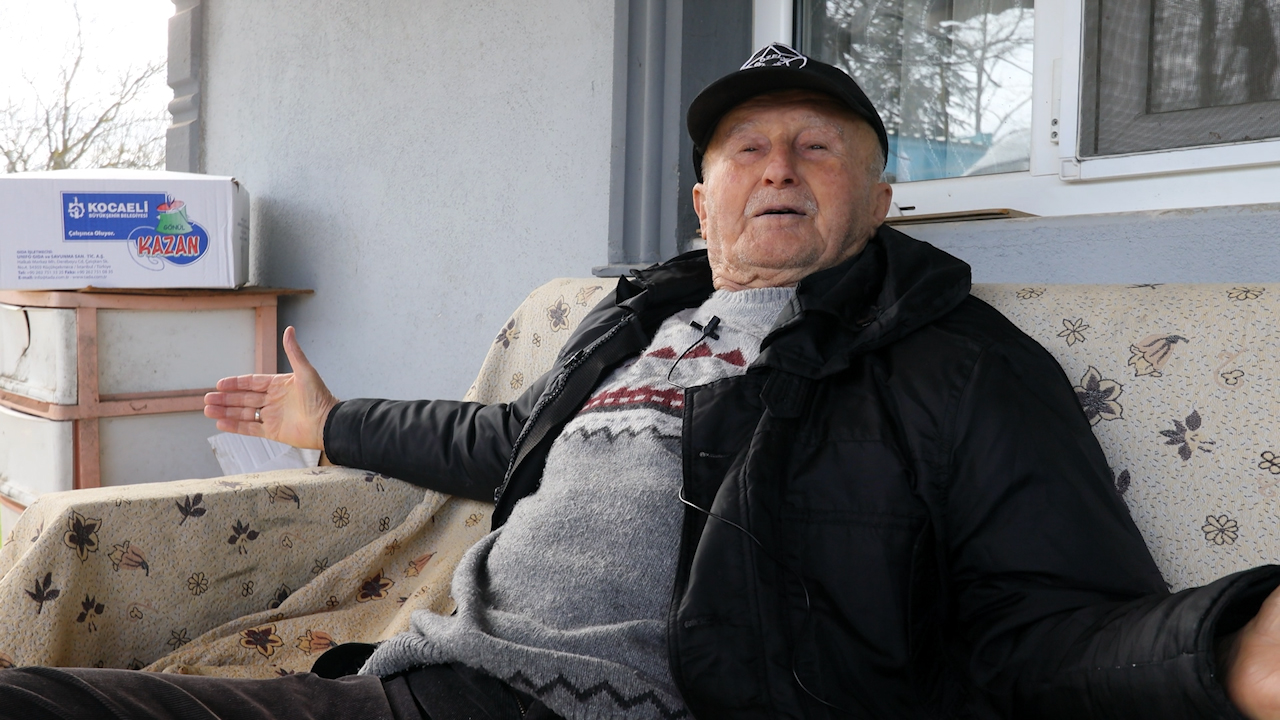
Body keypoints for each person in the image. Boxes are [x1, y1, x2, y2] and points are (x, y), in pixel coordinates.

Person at [7, 43, 1280, 720]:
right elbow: (511, 439)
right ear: (701, 202)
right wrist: (331, 422)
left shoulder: (958, 363)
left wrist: (1212, 652)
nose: (776, 166)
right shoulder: (632, 321)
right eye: (745, 150)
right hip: (417, 674)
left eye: (817, 148)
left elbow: (1040, 617)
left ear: (882, 199)